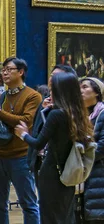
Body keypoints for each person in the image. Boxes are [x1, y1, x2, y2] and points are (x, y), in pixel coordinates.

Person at [15, 72, 94, 223]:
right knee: (65, 215)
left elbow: (38, 143)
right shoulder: (78, 113)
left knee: (50, 216)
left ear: (59, 91)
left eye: (52, 89)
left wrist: (23, 134)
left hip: (52, 172)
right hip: (69, 171)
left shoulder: (56, 114)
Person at [0, 57, 41, 224]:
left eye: (9, 69)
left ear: (20, 72)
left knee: (28, 204)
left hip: (20, 156)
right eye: (3, 70)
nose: (4, 73)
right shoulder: (1, 97)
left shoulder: (33, 96)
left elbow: (26, 121)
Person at [80, 77, 104, 223]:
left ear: (97, 92)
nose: (80, 90)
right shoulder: (78, 114)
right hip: (82, 172)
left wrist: (81, 156)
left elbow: (102, 146)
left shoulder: (102, 113)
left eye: (84, 87)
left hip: (98, 172)